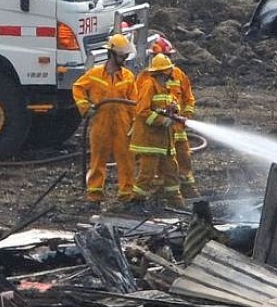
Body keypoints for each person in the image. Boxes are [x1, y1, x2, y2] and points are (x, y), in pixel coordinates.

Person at [72, 33, 138, 211]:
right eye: (122, 55)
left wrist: (135, 125)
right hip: (100, 124)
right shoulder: (94, 75)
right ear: (111, 54)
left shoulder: (128, 77)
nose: (125, 58)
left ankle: (127, 196)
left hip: (123, 125)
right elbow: (78, 88)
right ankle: (94, 197)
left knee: (126, 161)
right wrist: (85, 107)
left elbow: (134, 103)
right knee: (97, 161)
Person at [129, 53, 185, 210]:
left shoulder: (165, 87)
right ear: (161, 72)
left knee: (172, 171)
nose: (171, 74)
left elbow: (170, 104)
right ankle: (136, 202)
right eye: (168, 71)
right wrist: (162, 120)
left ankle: (177, 202)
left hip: (165, 141)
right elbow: (142, 111)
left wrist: (174, 109)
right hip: (150, 141)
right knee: (147, 173)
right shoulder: (149, 85)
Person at [151, 36, 199, 198]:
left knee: (184, 156)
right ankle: (162, 189)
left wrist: (186, 115)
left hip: (177, 127)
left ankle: (187, 187)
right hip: (161, 128)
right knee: (159, 160)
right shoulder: (147, 78)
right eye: (166, 56)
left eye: (169, 57)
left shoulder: (178, 74)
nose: (169, 61)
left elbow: (189, 98)